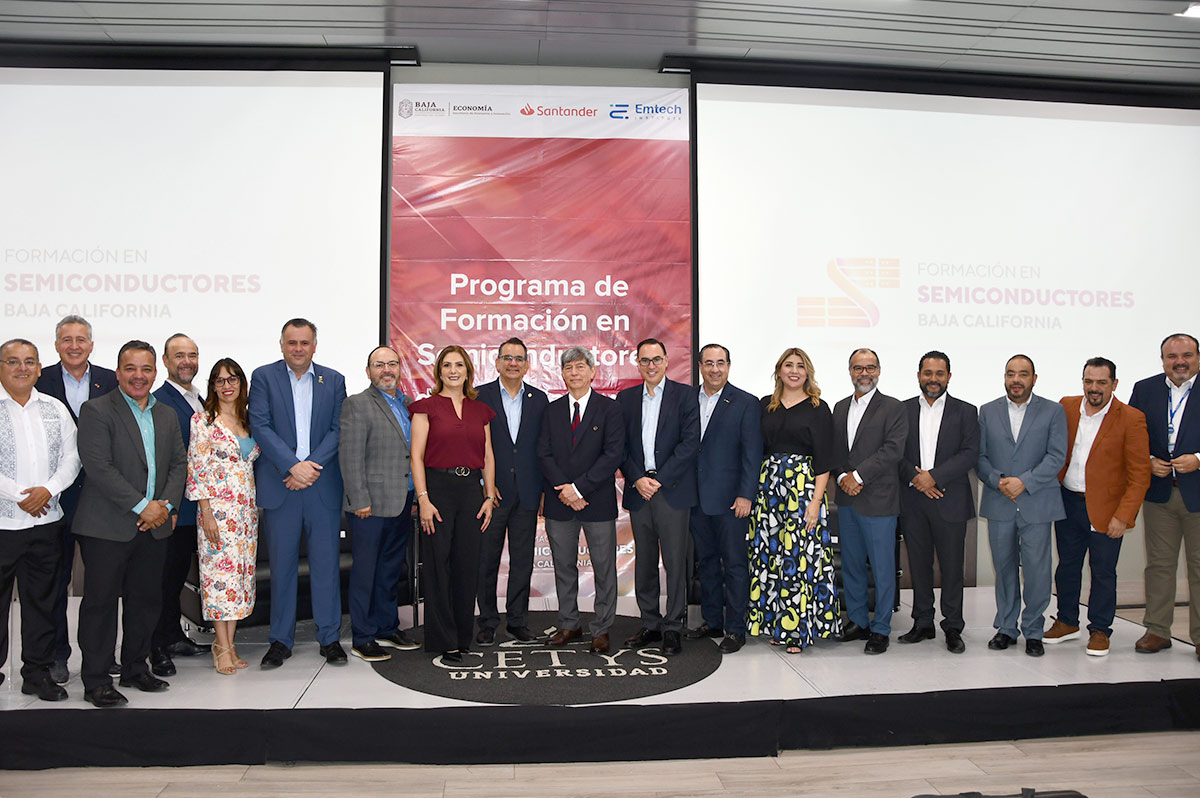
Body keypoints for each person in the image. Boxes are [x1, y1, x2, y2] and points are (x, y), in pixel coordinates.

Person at [74, 340, 187, 707]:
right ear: (118, 372)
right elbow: (99, 467)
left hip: (155, 525)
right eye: (131, 368)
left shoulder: (166, 414)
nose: (139, 376)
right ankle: (96, 680)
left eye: (146, 369)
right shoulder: (96, 410)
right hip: (107, 526)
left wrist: (164, 505)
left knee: (145, 600)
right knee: (101, 605)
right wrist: (143, 507)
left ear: (156, 372)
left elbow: (179, 464)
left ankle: (136, 668)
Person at [249, 318, 348, 668]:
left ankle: (330, 638)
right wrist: (292, 466)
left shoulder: (334, 380)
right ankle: (280, 640)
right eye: (291, 342)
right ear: (281, 344)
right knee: (282, 567)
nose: (298, 349)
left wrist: (309, 468)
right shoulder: (263, 377)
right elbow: (260, 425)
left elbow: (338, 429)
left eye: (304, 342)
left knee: (326, 566)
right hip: (282, 486)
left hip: (321, 486)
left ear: (314, 346)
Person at [1046, 357, 1150, 657]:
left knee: (1103, 571)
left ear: (1114, 384)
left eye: (1102, 382)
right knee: (1067, 566)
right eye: (1089, 381)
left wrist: (1123, 516)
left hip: (1107, 510)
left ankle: (1100, 629)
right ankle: (1067, 621)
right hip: (1068, 502)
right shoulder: (1066, 406)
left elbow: (1140, 475)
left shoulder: (1131, 418)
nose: (1094, 388)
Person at [34, 314, 117, 685]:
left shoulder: (111, 381)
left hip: (103, 498)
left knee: (104, 584)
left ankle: (102, 655)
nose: (74, 346)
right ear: (56, 345)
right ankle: (56, 655)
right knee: (56, 582)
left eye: (80, 339)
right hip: (57, 498)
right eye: (66, 340)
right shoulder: (40, 380)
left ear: (91, 345)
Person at [0, 339, 80, 701]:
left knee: (43, 605)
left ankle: (37, 673)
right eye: (13, 361)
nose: (22, 368)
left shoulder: (54, 408)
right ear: (1, 367)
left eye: (29, 361)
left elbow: (72, 458)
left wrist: (47, 490)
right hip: (3, 525)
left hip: (46, 524)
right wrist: (22, 496)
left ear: (38, 368)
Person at [409, 345, 497, 667]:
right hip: (438, 491)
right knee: (438, 566)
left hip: (470, 492)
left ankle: (461, 637)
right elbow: (416, 457)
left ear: (468, 371)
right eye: (447, 365)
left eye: (459, 365)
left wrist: (489, 497)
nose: (453, 371)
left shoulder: (481, 411)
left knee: (466, 566)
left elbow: (488, 456)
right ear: (439, 371)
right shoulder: (425, 408)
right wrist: (424, 499)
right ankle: (443, 640)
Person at [977, 354, 1067, 658]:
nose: (1016, 380)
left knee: (1037, 571)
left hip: (1037, 502)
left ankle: (1033, 630)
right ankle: (1006, 627)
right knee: (1004, 569)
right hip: (999, 500)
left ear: (1034, 378)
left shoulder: (1053, 411)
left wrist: (1024, 482)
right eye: (1011, 374)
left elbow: (1056, 456)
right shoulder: (987, 411)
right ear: (1004, 377)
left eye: (1023, 374)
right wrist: (998, 480)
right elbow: (979, 457)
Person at [748, 347, 837, 653]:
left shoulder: (818, 408)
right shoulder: (765, 405)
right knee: (771, 558)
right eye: (789, 365)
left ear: (808, 372)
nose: (794, 371)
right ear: (779, 370)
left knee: (798, 560)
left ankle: (797, 631)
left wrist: (816, 502)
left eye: (800, 366)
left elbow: (824, 461)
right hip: (768, 492)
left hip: (803, 492)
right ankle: (777, 626)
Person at [537, 347, 625, 655]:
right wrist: (567, 490)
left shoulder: (610, 409)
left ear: (592, 371)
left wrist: (579, 489)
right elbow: (543, 453)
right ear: (562, 373)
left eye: (579, 367)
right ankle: (569, 624)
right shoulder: (551, 410)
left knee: (604, 568)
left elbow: (613, 455)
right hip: (559, 501)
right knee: (564, 567)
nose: (574, 373)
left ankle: (602, 629)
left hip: (596, 502)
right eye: (568, 368)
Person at [617, 338, 699, 657]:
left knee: (675, 562)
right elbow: (620, 447)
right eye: (645, 360)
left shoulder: (686, 396)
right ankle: (650, 623)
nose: (651, 366)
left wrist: (658, 480)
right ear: (637, 363)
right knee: (645, 562)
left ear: (666, 361)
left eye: (656, 359)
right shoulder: (625, 399)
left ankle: (673, 626)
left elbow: (690, 443)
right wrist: (638, 478)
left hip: (671, 490)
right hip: (639, 490)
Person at [339, 346, 421, 662]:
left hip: (402, 501)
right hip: (369, 506)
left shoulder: (409, 405)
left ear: (400, 368)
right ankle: (363, 636)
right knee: (366, 572)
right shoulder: (357, 404)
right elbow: (350, 456)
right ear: (368, 371)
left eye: (392, 364)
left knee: (389, 570)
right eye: (379, 364)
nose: (386, 370)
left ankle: (387, 628)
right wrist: (359, 499)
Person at [897, 351, 979, 654]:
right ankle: (922, 622)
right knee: (919, 565)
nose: (933, 379)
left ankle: (953, 626)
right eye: (928, 373)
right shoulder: (902, 410)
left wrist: (934, 477)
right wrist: (916, 477)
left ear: (949, 376)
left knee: (952, 568)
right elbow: (894, 451)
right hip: (913, 500)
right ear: (919, 375)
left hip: (950, 499)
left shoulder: (966, 411)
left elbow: (970, 453)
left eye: (939, 373)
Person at [186, 358, 260, 675]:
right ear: (213, 386)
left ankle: (229, 643)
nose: (227, 386)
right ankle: (222, 646)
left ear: (241, 383)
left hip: (246, 513)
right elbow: (197, 468)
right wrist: (206, 513)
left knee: (239, 579)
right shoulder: (203, 421)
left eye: (232, 379)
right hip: (217, 512)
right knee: (219, 579)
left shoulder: (248, 420)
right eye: (220, 380)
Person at [1128, 333, 1200, 659]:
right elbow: (1130, 436)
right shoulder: (1145, 389)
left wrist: (1198, 459)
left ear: (1197, 357)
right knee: (1159, 566)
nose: (1179, 362)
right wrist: (1146, 461)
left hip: (1197, 491)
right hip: (1159, 495)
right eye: (1172, 356)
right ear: (1162, 360)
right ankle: (1157, 630)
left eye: (1186, 355)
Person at [832, 348, 907, 655]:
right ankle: (858, 620)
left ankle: (881, 628)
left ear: (879, 370)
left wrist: (857, 476)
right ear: (850, 371)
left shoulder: (893, 407)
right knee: (851, 564)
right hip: (847, 499)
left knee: (882, 567)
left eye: (870, 367)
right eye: (858, 368)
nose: (864, 373)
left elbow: (892, 450)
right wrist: (842, 477)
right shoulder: (839, 407)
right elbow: (835, 450)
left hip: (879, 500)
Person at [688, 344, 762, 654]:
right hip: (694, 499)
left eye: (720, 363)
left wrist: (746, 494)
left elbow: (752, 454)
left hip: (732, 501)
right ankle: (713, 621)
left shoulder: (746, 403)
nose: (714, 369)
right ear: (700, 366)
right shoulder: (687, 400)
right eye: (709, 363)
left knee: (734, 565)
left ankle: (735, 628)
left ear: (729, 366)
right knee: (706, 563)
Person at [474, 338, 548, 646]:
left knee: (522, 561)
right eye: (507, 357)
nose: (513, 363)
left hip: (528, 493)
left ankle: (517, 621)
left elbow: (544, 447)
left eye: (519, 358)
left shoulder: (539, 399)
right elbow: (474, 446)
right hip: (493, 494)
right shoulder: (479, 396)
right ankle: (487, 621)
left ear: (527, 365)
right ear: (497, 362)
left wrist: (543, 491)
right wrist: (485, 485)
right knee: (486, 560)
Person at [149, 333, 210, 678]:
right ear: (166, 361)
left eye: (192, 355)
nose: (187, 362)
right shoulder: (160, 401)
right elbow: (161, 461)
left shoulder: (198, 399)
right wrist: (167, 506)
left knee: (175, 578)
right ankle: (156, 646)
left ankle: (172, 636)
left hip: (194, 510)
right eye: (179, 356)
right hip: (174, 510)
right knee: (162, 580)